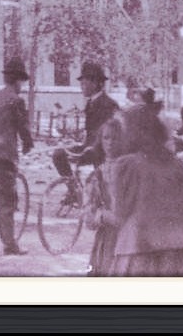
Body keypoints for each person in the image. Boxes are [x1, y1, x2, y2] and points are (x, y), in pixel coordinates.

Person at [109, 103, 183, 276]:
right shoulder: (177, 164)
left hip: (138, 250)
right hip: (174, 253)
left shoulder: (126, 165)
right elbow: (182, 208)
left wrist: (98, 214)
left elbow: (119, 214)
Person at [0, 56, 34, 256]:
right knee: (7, 201)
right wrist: (28, 144)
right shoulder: (16, 100)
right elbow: (23, 128)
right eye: (22, 82)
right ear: (18, 80)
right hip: (5, 155)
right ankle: (10, 245)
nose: (22, 86)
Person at [52, 62, 120, 186]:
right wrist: (77, 140)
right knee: (58, 154)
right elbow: (90, 130)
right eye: (81, 83)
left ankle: (96, 197)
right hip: (89, 148)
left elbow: (108, 132)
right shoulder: (91, 103)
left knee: (101, 185)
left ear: (95, 84)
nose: (81, 87)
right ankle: (73, 190)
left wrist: (92, 145)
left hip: (103, 151)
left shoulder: (108, 104)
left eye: (84, 83)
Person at [83, 116, 125, 276]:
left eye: (115, 138)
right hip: (106, 241)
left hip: (126, 240)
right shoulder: (97, 174)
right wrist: (93, 214)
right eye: (106, 138)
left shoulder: (130, 169)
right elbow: (89, 217)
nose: (110, 143)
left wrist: (104, 215)